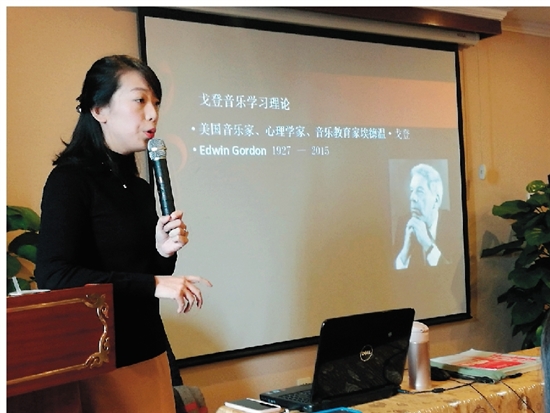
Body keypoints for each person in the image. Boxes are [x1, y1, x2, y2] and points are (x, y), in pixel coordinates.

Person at [35, 55, 212, 413]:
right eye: (140, 100)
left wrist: (162, 253)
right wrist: (154, 283)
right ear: (99, 109)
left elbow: (139, 271)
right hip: (102, 359)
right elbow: (54, 275)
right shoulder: (69, 181)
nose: (152, 114)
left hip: (150, 349)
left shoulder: (139, 187)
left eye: (156, 103)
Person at [394, 163, 447, 270]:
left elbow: (453, 273)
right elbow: (391, 275)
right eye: (411, 190)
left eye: (419, 191)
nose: (412, 197)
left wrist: (428, 245)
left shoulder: (453, 222)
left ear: (436, 200)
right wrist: (405, 252)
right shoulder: (404, 223)